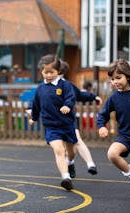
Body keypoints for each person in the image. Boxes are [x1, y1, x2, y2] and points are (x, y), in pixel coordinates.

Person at [29, 54, 77, 191]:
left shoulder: (65, 85)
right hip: (51, 126)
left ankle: (70, 162)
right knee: (59, 150)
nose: (49, 75)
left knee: (71, 151)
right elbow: (36, 105)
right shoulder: (40, 89)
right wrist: (34, 117)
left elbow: (71, 97)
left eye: (52, 72)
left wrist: (67, 105)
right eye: (46, 72)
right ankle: (66, 177)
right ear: (41, 72)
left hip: (67, 125)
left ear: (58, 71)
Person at [97, 58, 130, 196]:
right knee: (112, 154)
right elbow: (102, 115)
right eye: (112, 79)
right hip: (126, 136)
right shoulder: (114, 98)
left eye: (118, 77)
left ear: (127, 76)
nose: (115, 81)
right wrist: (101, 127)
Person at [59, 61, 101, 177]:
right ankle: (70, 163)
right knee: (65, 149)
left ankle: (90, 164)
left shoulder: (67, 85)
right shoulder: (46, 87)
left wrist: (93, 97)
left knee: (77, 141)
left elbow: (80, 95)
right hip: (55, 121)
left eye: (60, 72)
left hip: (68, 120)